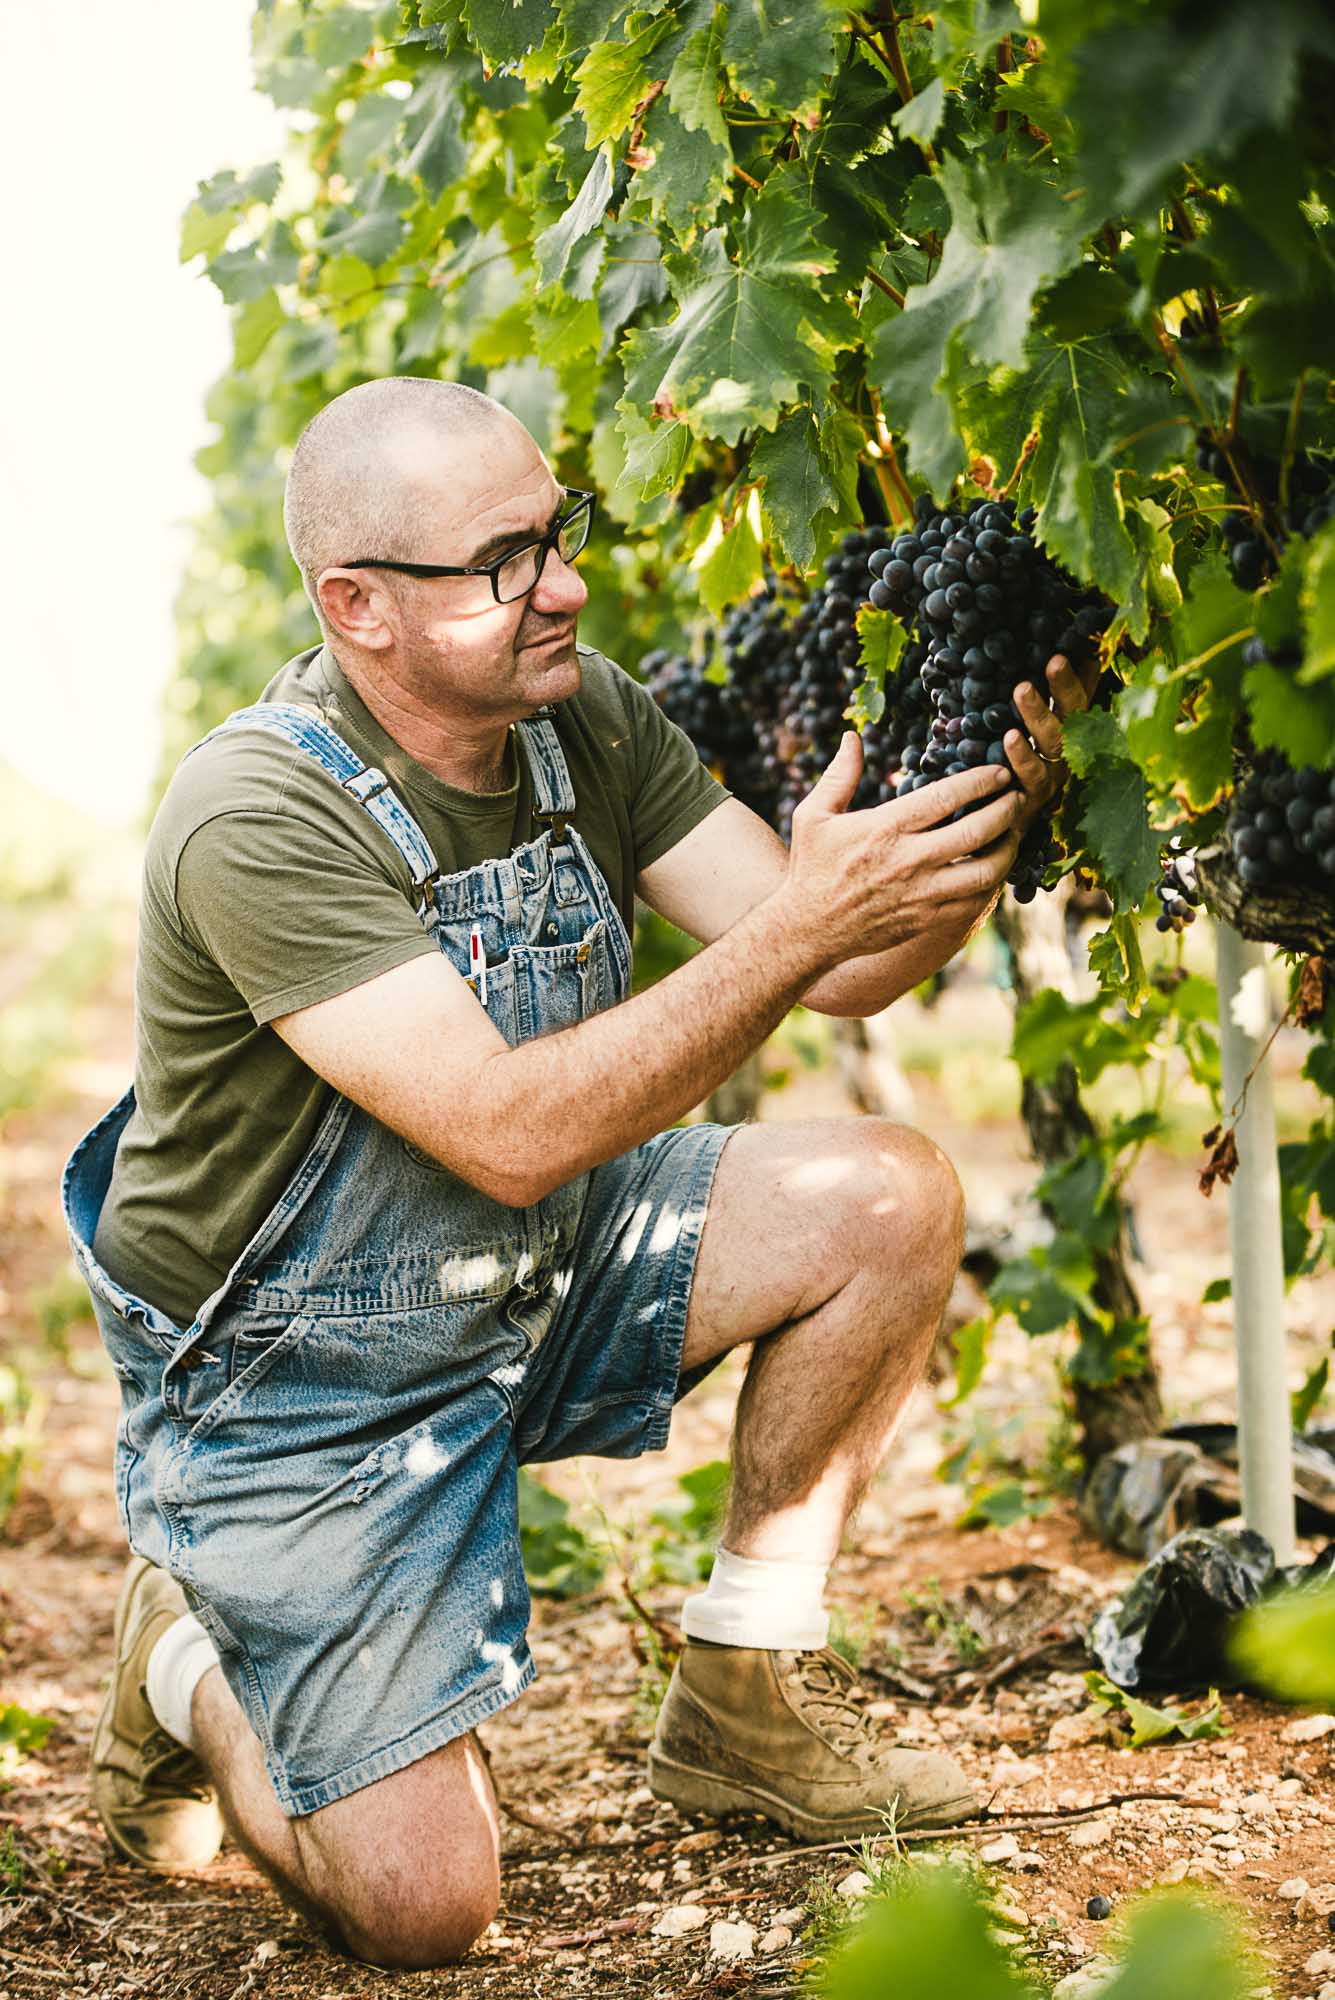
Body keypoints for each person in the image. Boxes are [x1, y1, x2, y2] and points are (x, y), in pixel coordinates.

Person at [63, 377, 1092, 1969]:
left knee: (890, 1196)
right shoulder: (255, 813)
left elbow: (841, 970)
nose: (568, 585)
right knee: (425, 1912)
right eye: (505, 561)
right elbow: (511, 1125)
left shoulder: (578, 715)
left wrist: (971, 826)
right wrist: (806, 925)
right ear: (358, 609)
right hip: (295, 1378)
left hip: (519, 1263)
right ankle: (183, 1659)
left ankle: (741, 1699)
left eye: (560, 533)